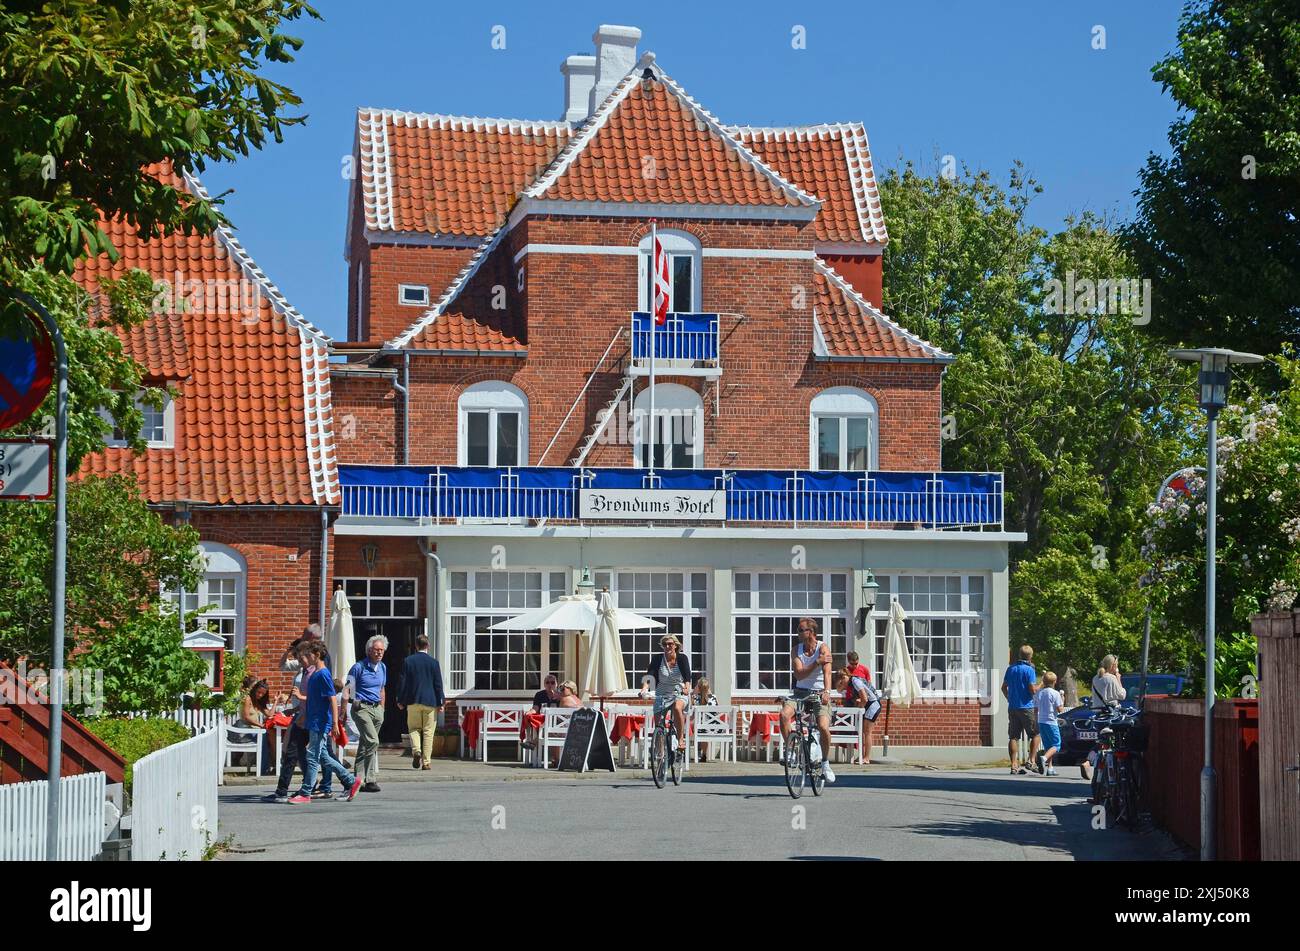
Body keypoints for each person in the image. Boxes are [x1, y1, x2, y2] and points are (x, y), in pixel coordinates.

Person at [289, 642, 362, 804]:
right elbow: (314, 699)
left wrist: (335, 723)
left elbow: (331, 700)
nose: (306, 657)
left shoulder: (323, 674)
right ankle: (351, 780)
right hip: (313, 720)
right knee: (323, 756)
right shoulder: (316, 673)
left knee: (313, 757)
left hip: (320, 722)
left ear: (317, 655)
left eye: (309, 654)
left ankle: (306, 792)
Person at [780, 618, 835, 783]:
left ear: (810, 632)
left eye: (800, 630)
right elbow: (799, 674)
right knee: (784, 715)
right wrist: (817, 662)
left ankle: (825, 762)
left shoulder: (823, 647)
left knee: (823, 727)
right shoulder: (796, 650)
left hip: (819, 693)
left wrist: (827, 691)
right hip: (799, 692)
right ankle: (791, 750)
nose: (798, 633)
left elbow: (827, 673)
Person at [266, 645, 312, 803]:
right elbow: (283, 665)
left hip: (308, 718)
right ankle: (289, 789)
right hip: (300, 715)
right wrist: (295, 709)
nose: (299, 660)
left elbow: (320, 698)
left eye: (301, 657)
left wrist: (300, 699)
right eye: (297, 657)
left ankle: (345, 781)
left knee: (296, 752)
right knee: (294, 752)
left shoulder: (315, 673)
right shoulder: (304, 670)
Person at [639, 635, 693, 763]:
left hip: (679, 691)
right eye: (665, 644)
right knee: (659, 723)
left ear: (675, 645)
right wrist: (644, 689)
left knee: (677, 707)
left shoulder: (682, 658)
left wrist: (686, 687)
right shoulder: (658, 659)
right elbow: (650, 675)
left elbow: (687, 676)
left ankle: (680, 740)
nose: (667, 647)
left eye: (670, 644)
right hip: (662, 692)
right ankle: (660, 751)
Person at [345, 635, 388, 793]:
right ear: (369, 650)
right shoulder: (358, 667)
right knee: (373, 741)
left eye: (382, 650)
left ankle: (357, 779)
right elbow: (348, 687)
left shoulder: (382, 667)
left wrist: (382, 709)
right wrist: (352, 701)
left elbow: (382, 689)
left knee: (365, 744)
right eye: (376, 650)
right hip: (361, 708)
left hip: (377, 709)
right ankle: (370, 779)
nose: (379, 653)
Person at [397, 633, 445, 770]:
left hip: (413, 701)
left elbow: (402, 682)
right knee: (428, 732)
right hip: (430, 701)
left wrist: (400, 699)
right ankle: (426, 762)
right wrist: (441, 702)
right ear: (428, 646)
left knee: (413, 729)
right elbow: (438, 684)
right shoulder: (434, 663)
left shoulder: (408, 661)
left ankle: (416, 750)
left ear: (416, 646)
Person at [1001, 644, 1041, 774]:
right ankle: (1031, 760)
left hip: (1013, 706)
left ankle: (1014, 765)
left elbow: (1003, 687)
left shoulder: (1011, 668)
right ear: (1030, 656)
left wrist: (1009, 698)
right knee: (1035, 734)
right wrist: (1041, 684)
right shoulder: (1029, 670)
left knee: (1013, 737)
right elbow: (1032, 689)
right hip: (1026, 706)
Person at [846, 650, 878, 764]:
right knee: (856, 730)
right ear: (848, 661)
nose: (854, 666)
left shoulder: (864, 669)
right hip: (852, 700)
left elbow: (868, 686)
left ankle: (866, 756)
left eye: (856, 663)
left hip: (865, 701)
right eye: (852, 664)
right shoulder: (847, 671)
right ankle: (859, 755)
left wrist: (862, 700)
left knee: (866, 731)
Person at [1035, 671, 1064, 776]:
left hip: (1041, 721)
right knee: (1056, 745)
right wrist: (1062, 698)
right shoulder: (1055, 693)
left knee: (1048, 745)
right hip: (1051, 721)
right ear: (1055, 682)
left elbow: (1035, 709)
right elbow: (1060, 709)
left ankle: (1050, 768)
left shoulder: (1040, 693)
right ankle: (1044, 758)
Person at [524, 674, 561, 752]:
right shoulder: (539, 694)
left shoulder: (560, 695)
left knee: (545, 725)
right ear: (544, 684)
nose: (550, 685)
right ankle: (534, 742)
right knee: (537, 722)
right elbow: (535, 708)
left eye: (552, 683)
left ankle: (534, 742)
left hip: (558, 722)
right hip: (544, 721)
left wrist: (560, 697)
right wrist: (529, 712)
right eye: (547, 682)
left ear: (556, 684)